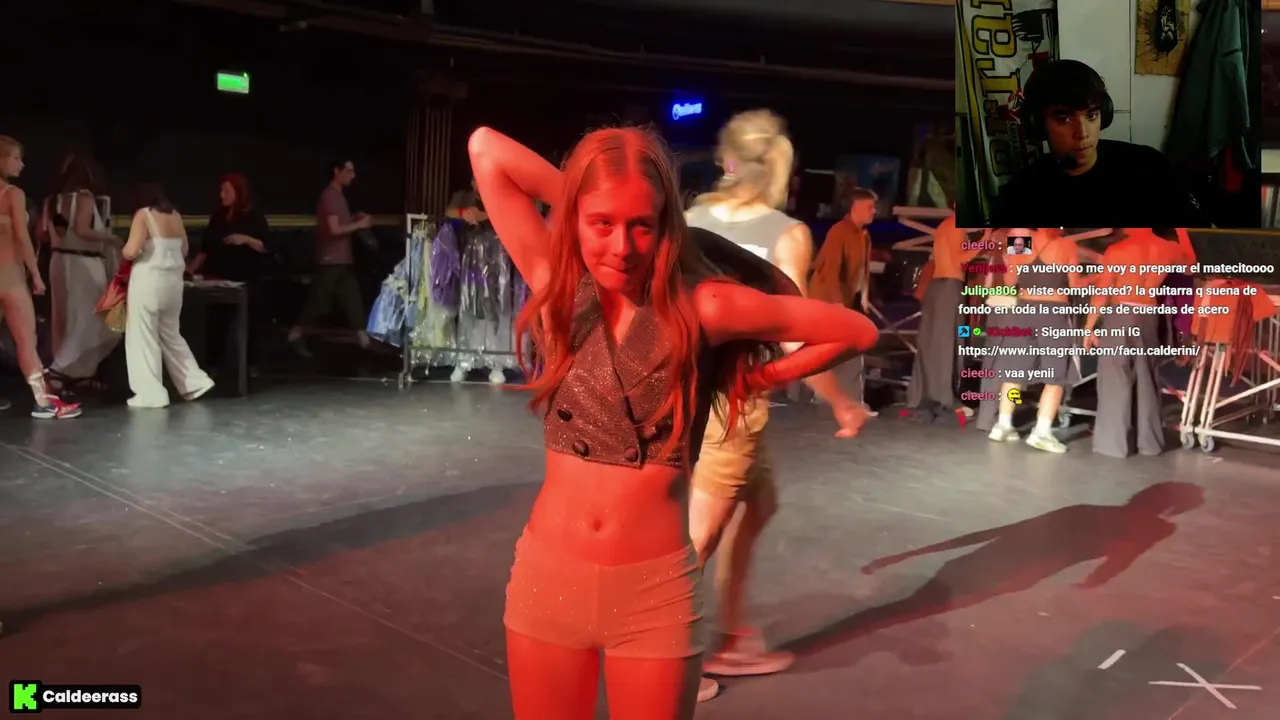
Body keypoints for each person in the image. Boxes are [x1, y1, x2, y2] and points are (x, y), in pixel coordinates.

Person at [469, 124, 877, 720]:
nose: (622, 247)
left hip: (653, 594)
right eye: (602, 223)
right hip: (546, 580)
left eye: (642, 225)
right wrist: (585, 194)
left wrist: (756, 379)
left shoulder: (703, 306)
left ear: (666, 225)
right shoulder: (558, 287)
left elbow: (855, 331)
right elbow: (485, 147)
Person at [684, 110, 868, 695]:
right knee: (696, 541)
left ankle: (731, 638)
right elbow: (795, 338)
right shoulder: (786, 234)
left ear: (728, 160)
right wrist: (840, 401)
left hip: (689, 392)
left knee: (758, 505)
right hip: (733, 403)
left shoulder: (689, 220)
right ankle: (667, 665)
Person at [990, 59, 1207, 228]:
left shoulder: (1150, 168)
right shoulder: (1022, 195)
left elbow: (1203, 239)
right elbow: (1014, 260)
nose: (1083, 133)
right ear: (1037, 123)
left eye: (1092, 115)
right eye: (1064, 119)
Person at [1084, 228, 1191, 458]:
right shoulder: (1167, 249)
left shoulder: (1118, 250)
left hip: (1121, 313)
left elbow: (1103, 291)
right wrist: (1181, 230)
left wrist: (1089, 325)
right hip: (1149, 315)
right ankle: (1149, 444)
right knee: (1147, 379)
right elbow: (1191, 262)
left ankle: (1113, 445)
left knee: (1115, 376)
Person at [0, 136, 80, 418]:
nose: (21, 164)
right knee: (26, 340)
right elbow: (23, 239)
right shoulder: (12, 194)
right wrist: (36, 275)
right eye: (16, 158)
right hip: (9, 277)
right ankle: (43, 402)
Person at [988, 228, 1085, 453]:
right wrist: (1100, 276)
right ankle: (1041, 432)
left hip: (1023, 310)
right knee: (1056, 375)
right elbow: (1075, 285)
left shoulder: (1021, 242)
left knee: (1014, 371)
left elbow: (1010, 281)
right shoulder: (1066, 245)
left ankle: (1003, 424)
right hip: (1053, 311)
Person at [121, 183, 214, 408]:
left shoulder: (143, 215)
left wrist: (123, 249)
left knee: (143, 336)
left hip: (148, 282)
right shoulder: (175, 216)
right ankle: (195, 382)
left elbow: (131, 251)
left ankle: (151, 393)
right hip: (173, 284)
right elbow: (184, 250)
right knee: (171, 334)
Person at [43, 150, 122, 393]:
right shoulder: (84, 197)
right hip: (83, 262)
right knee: (101, 319)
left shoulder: (52, 200)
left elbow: (42, 234)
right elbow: (82, 230)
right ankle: (58, 371)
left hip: (58, 260)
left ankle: (75, 375)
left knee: (65, 320)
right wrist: (111, 239)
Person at [187, 173, 273, 372]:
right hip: (219, 276)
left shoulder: (253, 216)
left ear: (238, 192)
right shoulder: (218, 216)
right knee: (216, 322)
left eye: (226, 191)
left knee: (248, 323)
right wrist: (191, 268)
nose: (222, 195)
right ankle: (214, 365)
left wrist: (246, 239)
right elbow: (205, 249)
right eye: (221, 191)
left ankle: (250, 365)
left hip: (246, 277)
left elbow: (267, 246)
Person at [287, 159, 372, 356]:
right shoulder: (330, 196)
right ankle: (295, 334)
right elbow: (334, 230)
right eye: (349, 171)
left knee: (352, 298)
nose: (353, 175)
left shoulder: (338, 196)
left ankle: (363, 338)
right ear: (337, 171)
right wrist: (359, 225)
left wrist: (354, 218)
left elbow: (339, 224)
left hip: (342, 259)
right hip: (330, 260)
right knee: (319, 302)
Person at [904, 212, 983, 424]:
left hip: (940, 286)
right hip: (949, 286)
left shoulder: (945, 226)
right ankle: (944, 399)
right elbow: (960, 259)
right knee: (947, 344)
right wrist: (983, 242)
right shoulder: (956, 226)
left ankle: (929, 396)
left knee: (935, 344)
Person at [811, 185, 879, 415]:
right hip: (827, 301)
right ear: (854, 208)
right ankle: (835, 398)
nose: (873, 211)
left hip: (845, 302)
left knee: (850, 349)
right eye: (869, 207)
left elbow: (863, 271)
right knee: (839, 350)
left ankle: (847, 399)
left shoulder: (864, 235)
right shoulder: (838, 232)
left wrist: (865, 298)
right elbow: (831, 271)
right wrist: (838, 304)